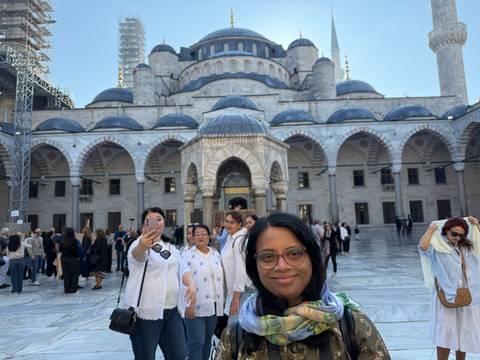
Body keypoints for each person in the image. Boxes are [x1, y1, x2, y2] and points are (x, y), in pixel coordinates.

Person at [215, 212, 390, 359]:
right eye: (268, 256)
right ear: (255, 266)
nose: (282, 266)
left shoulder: (352, 327)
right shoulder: (236, 337)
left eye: (294, 253)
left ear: (312, 258)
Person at [122, 207, 196, 360]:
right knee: (146, 356)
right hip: (146, 313)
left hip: (171, 311)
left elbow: (182, 269)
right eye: (150, 220)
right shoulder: (137, 245)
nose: (156, 223)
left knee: (179, 355)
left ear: (164, 223)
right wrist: (143, 245)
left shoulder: (170, 247)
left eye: (159, 219)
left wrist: (191, 284)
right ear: (143, 225)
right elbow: (138, 256)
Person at [419, 216, 480, 359]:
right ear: (446, 231)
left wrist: (476, 225)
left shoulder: (465, 247)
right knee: (445, 333)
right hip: (446, 294)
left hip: (465, 294)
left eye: (461, 235)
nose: (458, 237)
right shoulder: (438, 247)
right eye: (454, 234)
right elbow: (423, 247)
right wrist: (431, 229)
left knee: (462, 331)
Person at [181, 224, 224, 360]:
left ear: (209, 236)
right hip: (195, 305)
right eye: (197, 234)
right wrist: (188, 305)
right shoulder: (187, 255)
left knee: (207, 341)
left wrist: (222, 301)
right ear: (192, 238)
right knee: (196, 342)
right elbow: (183, 280)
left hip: (213, 304)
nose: (200, 236)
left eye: (204, 233)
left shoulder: (215, 253)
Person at [220, 211, 253, 324]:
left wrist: (236, 298)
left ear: (239, 224)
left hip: (242, 290)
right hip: (234, 290)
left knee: (234, 326)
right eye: (227, 222)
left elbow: (241, 270)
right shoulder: (231, 238)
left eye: (232, 222)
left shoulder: (239, 240)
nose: (228, 225)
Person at [59, 228, 82, 294]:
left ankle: (67, 289)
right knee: (74, 274)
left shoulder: (63, 240)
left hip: (63, 259)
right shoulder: (74, 240)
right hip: (72, 259)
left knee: (66, 275)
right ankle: (73, 289)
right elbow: (75, 250)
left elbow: (60, 250)